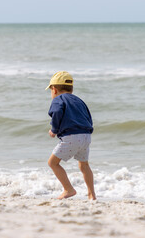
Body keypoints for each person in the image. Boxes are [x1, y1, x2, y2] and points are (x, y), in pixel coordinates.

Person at [46, 71, 96, 200]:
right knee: (84, 165)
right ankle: (92, 195)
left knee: (53, 163)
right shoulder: (79, 101)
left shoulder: (58, 100)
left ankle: (69, 189)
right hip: (86, 136)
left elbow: (57, 112)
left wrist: (54, 129)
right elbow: (88, 116)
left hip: (71, 137)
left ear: (54, 89)